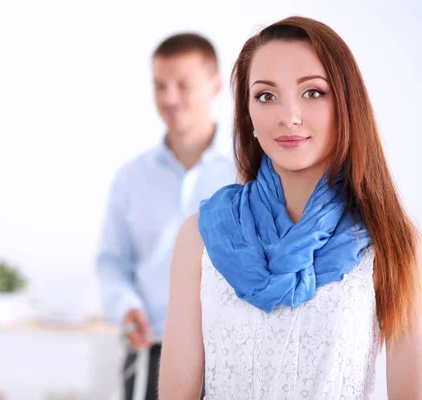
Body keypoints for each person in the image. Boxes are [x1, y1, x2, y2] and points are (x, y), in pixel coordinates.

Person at [159, 16, 422, 399]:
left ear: (346, 106)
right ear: (247, 114)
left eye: (313, 93)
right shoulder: (200, 237)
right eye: (266, 95)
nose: (289, 116)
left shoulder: (394, 243)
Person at [96, 33, 235, 400]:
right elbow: (111, 262)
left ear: (216, 85)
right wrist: (125, 307)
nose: (169, 98)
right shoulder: (130, 178)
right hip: (150, 355)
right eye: (160, 85)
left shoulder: (248, 173)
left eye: (183, 85)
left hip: (232, 357)